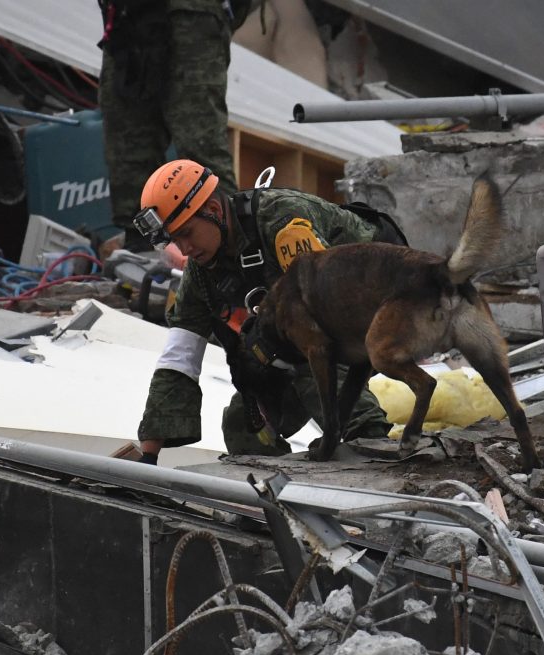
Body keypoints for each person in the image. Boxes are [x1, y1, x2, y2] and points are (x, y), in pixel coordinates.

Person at [133, 158, 403, 464]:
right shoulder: (201, 272)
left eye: (187, 233)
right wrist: (148, 457)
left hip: (389, 303)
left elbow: (326, 320)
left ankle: (373, 445)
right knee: (244, 419)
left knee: (307, 363)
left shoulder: (283, 222)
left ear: (213, 210)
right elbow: (179, 358)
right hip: (328, 322)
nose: (183, 250)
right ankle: (276, 492)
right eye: (174, 240)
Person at [96, 0, 250, 252]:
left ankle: (231, 251)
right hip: (127, 13)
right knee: (128, 139)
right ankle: (141, 245)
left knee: (199, 140)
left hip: (192, 12)